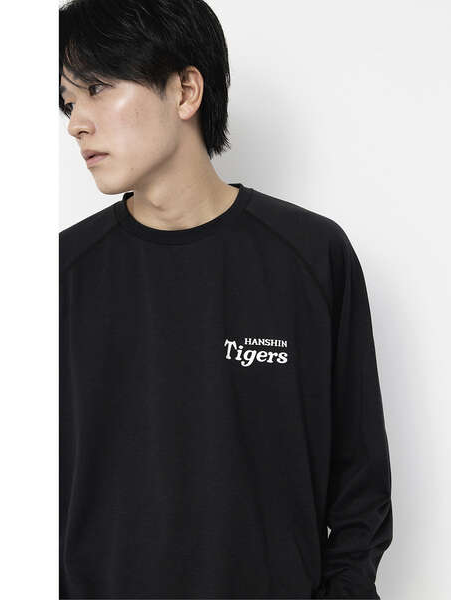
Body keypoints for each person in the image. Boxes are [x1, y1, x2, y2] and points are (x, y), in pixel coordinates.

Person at [59, 1, 393, 598]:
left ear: (185, 90)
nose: (76, 123)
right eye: (67, 102)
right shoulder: (58, 274)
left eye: (96, 88)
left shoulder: (311, 255)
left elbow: (360, 485)